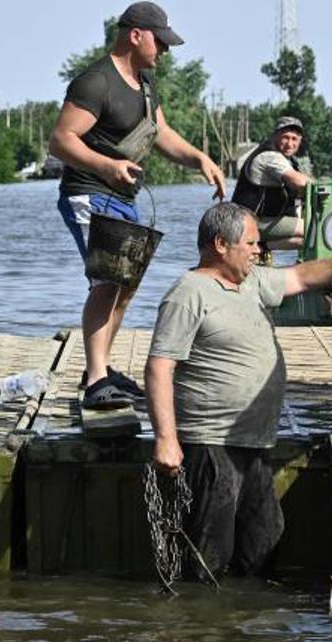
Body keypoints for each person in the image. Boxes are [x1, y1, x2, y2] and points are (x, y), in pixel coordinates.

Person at [145, 202, 332, 579]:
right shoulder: (188, 293)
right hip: (211, 444)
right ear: (220, 244)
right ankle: (197, 630)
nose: (258, 250)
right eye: (250, 243)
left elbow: (303, 277)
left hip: (254, 441)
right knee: (209, 554)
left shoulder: (250, 282)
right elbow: (159, 367)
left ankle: (248, 625)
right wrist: (166, 439)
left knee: (264, 541)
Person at [49, 1, 226, 410]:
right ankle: (96, 382)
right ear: (135, 35)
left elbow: (161, 134)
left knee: (125, 286)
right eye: (160, 43)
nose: (164, 51)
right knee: (108, 281)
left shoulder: (145, 84)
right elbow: (61, 140)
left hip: (122, 196)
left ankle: (101, 369)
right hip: (88, 191)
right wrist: (107, 166)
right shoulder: (96, 82)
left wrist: (199, 157)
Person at [231, 116, 314, 253]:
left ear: (300, 141)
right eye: (285, 137)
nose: (289, 144)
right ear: (275, 136)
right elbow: (300, 182)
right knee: (313, 229)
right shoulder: (269, 157)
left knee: (309, 237)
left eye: (294, 139)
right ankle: (262, 247)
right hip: (248, 222)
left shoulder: (287, 160)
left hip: (260, 220)